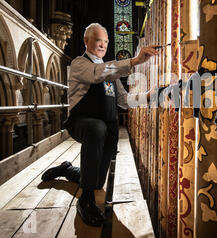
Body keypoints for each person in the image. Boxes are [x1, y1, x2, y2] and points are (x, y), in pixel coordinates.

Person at [41, 23, 158, 226]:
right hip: (82, 124)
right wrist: (136, 60)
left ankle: (66, 169)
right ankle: (85, 201)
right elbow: (97, 73)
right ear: (87, 41)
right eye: (98, 40)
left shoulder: (111, 73)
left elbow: (124, 100)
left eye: (105, 41)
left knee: (96, 181)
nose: (102, 45)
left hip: (106, 129)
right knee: (97, 128)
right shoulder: (80, 64)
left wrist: (149, 96)